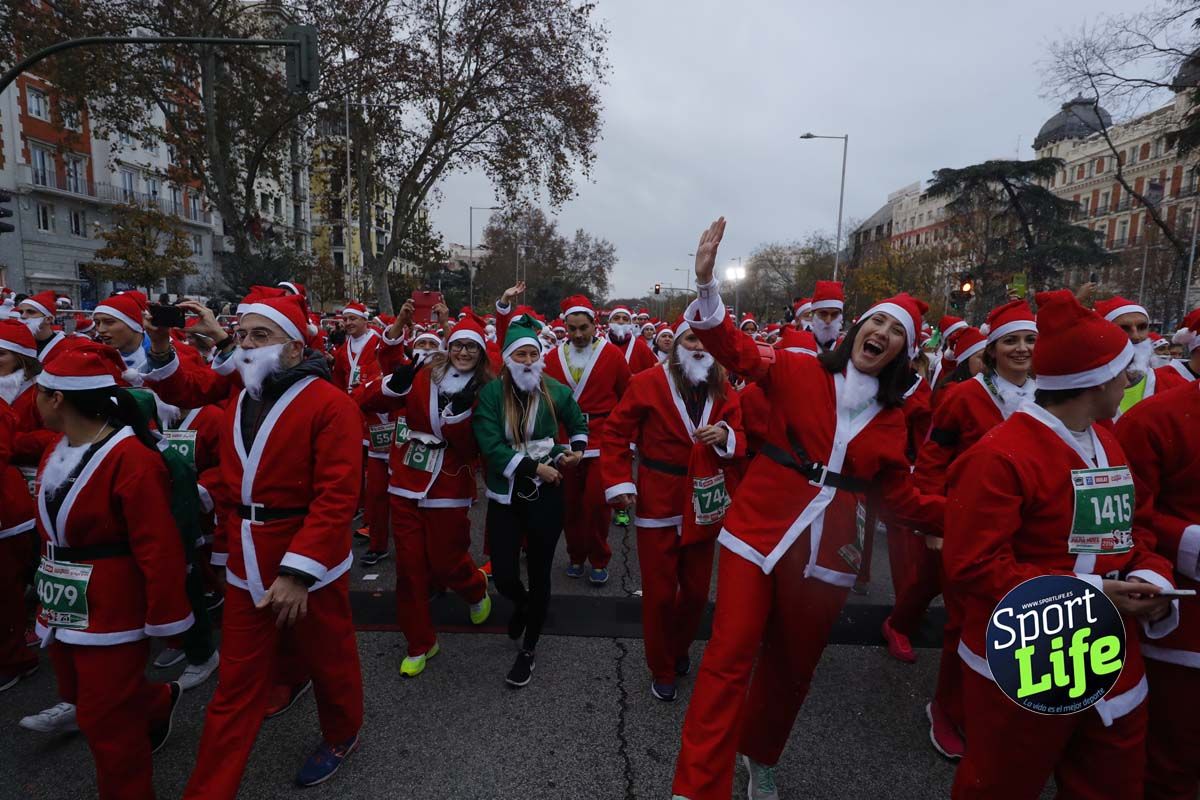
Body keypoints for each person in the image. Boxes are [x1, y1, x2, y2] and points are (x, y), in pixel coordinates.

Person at [671, 219, 944, 800]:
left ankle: (761, 756)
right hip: (757, 533)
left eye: (894, 332)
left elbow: (900, 498)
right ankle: (695, 789)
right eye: (874, 321)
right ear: (855, 330)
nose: (879, 333)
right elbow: (737, 349)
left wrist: (970, 515)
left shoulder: (893, 420)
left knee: (792, 669)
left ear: (905, 352)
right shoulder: (797, 368)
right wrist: (705, 286)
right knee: (728, 658)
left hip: (828, 559)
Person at [944, 290, 1178, 799]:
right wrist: (1089, 592)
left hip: (1111, 655)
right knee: (1000, 785)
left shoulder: (1107, 440)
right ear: (1093, 380)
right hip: (1025, 657)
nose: (1129, 380)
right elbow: (973, 567)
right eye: (1121, 370)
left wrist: (1152, 576)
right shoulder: (1000, 457)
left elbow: (1135, 530)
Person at [145, 294, 366, 793]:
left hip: (307, 561)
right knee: (236, 685)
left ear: (292, 346)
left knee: (329, 656)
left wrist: (297, 572)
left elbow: (337, 496)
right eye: (241, 334)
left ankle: (342, 732)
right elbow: (188, 386)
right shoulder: (242, 390)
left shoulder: (332, 405)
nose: (244, 344)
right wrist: (161, 345)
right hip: (245, 554)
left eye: (259, 336)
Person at [32, 342, 194, 799]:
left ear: (57, 398)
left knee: (107, 725)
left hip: (114, 612)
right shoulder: (56, 448)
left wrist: (166, 619)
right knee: (86, 698)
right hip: (66, 603)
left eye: (39, 390)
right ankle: (155, 701)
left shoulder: (132, 459)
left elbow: (158, 547)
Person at [898, 300, 1037, 759]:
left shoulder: (1048, 396)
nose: (1021, 349)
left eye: (1030, 340)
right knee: (964, 623)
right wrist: (933, 523)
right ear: (992, 349)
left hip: (1028, 533)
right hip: (967, 527)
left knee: (1021, 625)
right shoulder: (962, 396)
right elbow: (932, 462)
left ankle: (1005, 704)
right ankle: (946, 708)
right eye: (1011, 341)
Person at [602, 317, 744, 702]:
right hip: (659, 498)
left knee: (696, 593)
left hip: (704, 499)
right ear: (677, 343)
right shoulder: (646, 382)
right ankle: (661, 665)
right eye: (692, 338)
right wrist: (620, 482)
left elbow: (741, 433)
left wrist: (726, 436)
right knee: (661, 594)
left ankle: (680, 647)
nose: (700, 347)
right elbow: (615, 433)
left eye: (707, 340)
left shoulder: (723, 387)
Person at [371, 314, 494, 677]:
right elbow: (370, 399)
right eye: (457, 344)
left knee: (446, 560)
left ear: (482, 352)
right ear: (448, 346)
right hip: (407, 476)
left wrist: (458, 418)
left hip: (450, 481)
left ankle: (474, 588)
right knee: (409, 569)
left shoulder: (487, 388)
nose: (463, 352)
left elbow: (475, 448)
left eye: (471, 346)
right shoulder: (424, 374)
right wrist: (394, 383)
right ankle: (420, 642)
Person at [473, 314, 587, 687]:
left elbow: (578, 421)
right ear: (506, 359)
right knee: (504, 574)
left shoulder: (554, 390)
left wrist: (578, 450)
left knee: (540, 570)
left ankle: (530, 646)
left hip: (548, 494)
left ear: (539, 358)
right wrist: (534, 468)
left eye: (531, 355)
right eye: (519, 355)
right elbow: (490, 446)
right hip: (508, 492)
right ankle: (521, 604)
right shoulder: (490, 396)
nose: (526, 361)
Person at [500, 292, 631, 585]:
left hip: (602, 441)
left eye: (583, 327)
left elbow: (627, 398)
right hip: (563, 442)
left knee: (597, 506)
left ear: (594, 324)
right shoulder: (552, 357)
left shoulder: (612, 355)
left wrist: (627, 441)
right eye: (572, 329)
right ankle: (575, 555)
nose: (578, 334)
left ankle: (599, 557)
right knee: (569, 504)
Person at [1115, 377, 1200, 800]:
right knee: (1173, 760)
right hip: (1183, 624)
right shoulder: (1151, 421)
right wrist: (1190, 541)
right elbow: (1123, 519)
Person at [1094, 296, 1188, 415]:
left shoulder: (1173, 385)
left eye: (1142, 327)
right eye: (1124, 328)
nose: (1136, 336)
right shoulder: (1086, 389)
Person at [92, 291, 151, 370]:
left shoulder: (165, 353)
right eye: (97, 323)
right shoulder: (98, 357)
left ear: (133, 324)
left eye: (109, 322)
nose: (100, 330)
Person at [16, 290, 67, 361]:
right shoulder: (17, 343)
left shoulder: (65, 346)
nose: (23, 316)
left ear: (48, 319)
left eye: (31, 312)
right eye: (21, 312)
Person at [606, 305, 659, 373]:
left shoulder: (640, 346)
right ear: (609, 321)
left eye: (625, 319)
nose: (621, 322)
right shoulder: (600, 343)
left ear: (630, 323)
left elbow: (653, 371)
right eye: (616, 318)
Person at [809, 280, 844, 350]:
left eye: (834, 314)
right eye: (823, 314)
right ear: (813, 315)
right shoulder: (802, 344)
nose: (828, 321)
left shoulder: (846, 348)